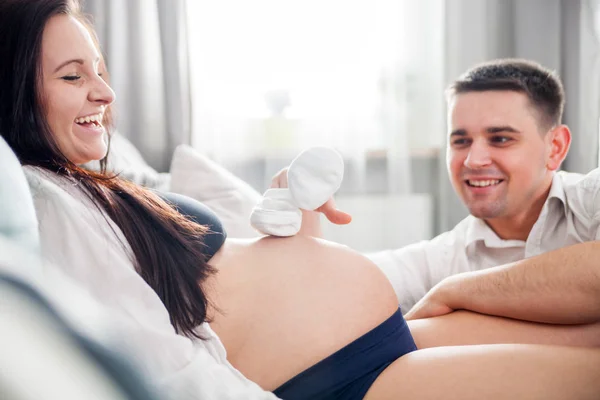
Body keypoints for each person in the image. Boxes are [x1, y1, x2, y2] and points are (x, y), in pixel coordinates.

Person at [2, 1, 600, 399]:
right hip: (343, 374)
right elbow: (159, 363)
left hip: (366, 343)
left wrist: (293, 226)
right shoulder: (45, 197)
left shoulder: (88, 188)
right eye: (73, 76)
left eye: (100, 70)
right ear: (16, 87)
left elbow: (212, 301)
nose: (104, 90)